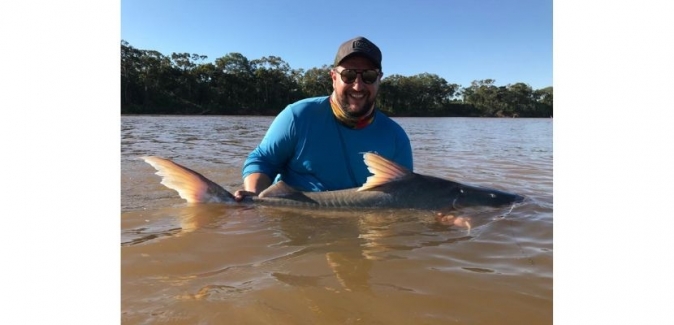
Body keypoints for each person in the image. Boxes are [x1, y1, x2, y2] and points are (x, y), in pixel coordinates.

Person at [234, 36, 413, 201]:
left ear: (379, 79)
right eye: (349, 75)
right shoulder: (298, 116)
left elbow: (407, 196)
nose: (358, 86)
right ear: (334, 77)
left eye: (369, 76)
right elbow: (262, 160)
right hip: (296, 224)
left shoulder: (396, 137)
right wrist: (254, 199)